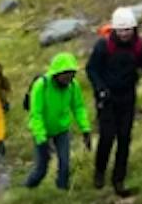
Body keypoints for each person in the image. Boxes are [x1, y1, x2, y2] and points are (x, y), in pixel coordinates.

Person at [86, 5, 142, 196]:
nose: (125, 34)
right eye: (121, 30)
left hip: (127, 97)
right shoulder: (103, 46)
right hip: (107, 98)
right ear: (115, 30)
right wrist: (100, 89)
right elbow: (91, 69)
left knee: (125, 139)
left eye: (128, 30)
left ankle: (119, 180)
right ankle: (99, 173)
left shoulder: (141, 45)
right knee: (107, 137)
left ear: (134, 29)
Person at [23, 52, 92, 190]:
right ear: (57, 73)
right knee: (42, 168)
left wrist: (85, 129)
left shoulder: (73, 86)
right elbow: (36, 114)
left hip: (62, 130)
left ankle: (61, 191)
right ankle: (27, 189)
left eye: (72, 74)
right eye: (66, 75)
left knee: (65, 164)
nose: (69, 78)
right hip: (42, 131)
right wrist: (41, 139)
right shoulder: (41, 86)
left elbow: (78, 108)